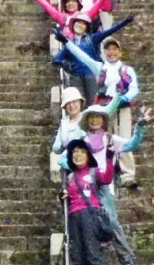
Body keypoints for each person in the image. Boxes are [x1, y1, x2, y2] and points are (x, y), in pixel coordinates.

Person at [59, 103, 153, 265]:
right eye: (92, 117)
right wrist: (80, 169)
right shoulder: (83, 142)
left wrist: (140, 127)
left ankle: (127, 260)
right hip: (85, 186)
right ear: (87, 121)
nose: (95, 120)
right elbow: (63, 159)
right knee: (86, 226)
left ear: (103, 120)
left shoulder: (110, 139)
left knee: (111, 221)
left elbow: (131, 145)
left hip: (103, 185)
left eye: (98, 117)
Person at [59, 38, 141, 188]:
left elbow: (134, 87)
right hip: (103, 107)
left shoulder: (127, 70)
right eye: (108, 50)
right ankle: (102, 170)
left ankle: (127, 174)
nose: (111, 53)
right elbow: (83, 56)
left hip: (122, 106)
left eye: (114, 49)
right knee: (101, 139)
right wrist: (67, 42)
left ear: (120, 52)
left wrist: (125, 98)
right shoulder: (100, 68)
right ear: (104, 53)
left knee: (123, 137)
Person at [63, 138, 113, 265]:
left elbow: (106, 178)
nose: (77, 155)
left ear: (88, 155)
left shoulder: (92, 172)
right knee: (77, 255)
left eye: (82, 152)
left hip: (90, 214)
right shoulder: (70, 177)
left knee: (93, 253)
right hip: (74, 216)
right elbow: (69, 197)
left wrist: (109, 157)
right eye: (75, 152)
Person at [52, 12, 134, 108]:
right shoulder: (70, 44)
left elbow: (110, 31)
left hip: (92, 74)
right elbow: (56, 60)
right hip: (76, 77)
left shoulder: (92, 39)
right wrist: (66, 64)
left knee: (93, 102)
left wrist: (125, 22)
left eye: (83, 24)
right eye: (78, 23)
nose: (80, 25)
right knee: (78, 102)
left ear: (87, 27)